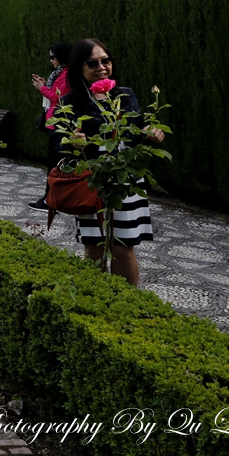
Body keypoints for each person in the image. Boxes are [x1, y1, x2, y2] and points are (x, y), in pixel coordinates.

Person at [49, 38, 164, 286]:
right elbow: (57, 142)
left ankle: (126, 306)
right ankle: (96, 305)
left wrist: (150, 131)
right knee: (95, 249)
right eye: (92, 63)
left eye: (106, 60)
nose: (101, 67)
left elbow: (138, 127)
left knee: (123, 249)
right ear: (79, 67)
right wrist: (71, 141)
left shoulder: (125, 95)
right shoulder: (70, 104)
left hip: (125, 179)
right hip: (91, 181)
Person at [27, 41, 74, 211]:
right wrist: (44, 85)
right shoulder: (61, 73)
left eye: (53, 57)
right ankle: (54, 199)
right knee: (56, 164)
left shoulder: (68, 74)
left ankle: (50, 201)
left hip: (61, 124)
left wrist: (42, 88)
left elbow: (59, 98)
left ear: (61, 57)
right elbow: (55, 92)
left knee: (55, 165)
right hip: (56, 124)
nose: (51, 61)